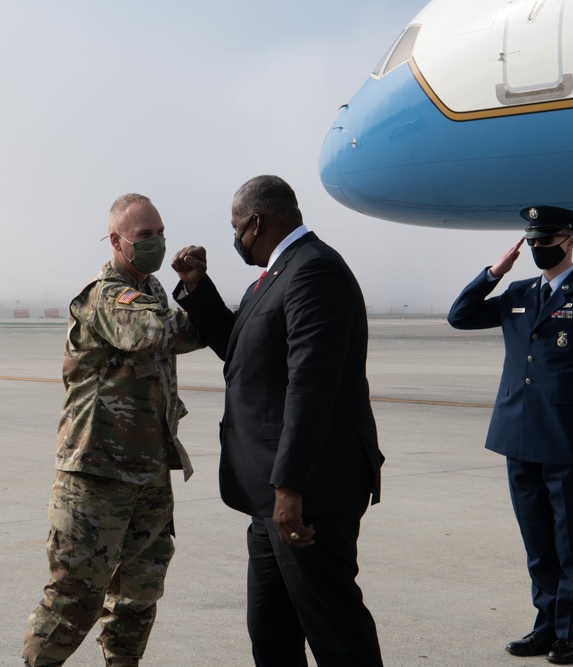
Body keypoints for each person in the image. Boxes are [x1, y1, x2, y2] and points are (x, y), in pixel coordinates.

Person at [171, 175, 384, 666]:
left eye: (236, 227)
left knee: (334, 630)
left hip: (305, 494)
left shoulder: (314, 272)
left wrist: (290, 488)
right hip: (268, 493)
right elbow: (242, 352)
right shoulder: (274, 275)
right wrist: (198, 288)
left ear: (256, 222)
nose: (235, 237)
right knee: (271, 632)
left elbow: (311, 387)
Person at [448, 206, 573, 665]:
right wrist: (492, 273)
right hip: (517, 436)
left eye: (544, 240)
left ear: (569, 240)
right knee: (537, 544)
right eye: (531, 240)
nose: (536, 248)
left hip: (568, 439)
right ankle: (546, 626)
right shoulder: (516, 292)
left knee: (571, 543)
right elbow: (460, 316)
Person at [22, 193, 203, 667]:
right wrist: (196, 302)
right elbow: (153, 333)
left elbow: (188, 332)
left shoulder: (156, 292)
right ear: (117, 241)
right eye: (145, 236)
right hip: (95, 476)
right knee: (73, 601)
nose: (158, 242)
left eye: (161, 233)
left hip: (147, 474)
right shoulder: (104, 295)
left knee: (138, 599)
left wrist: (193, 289)